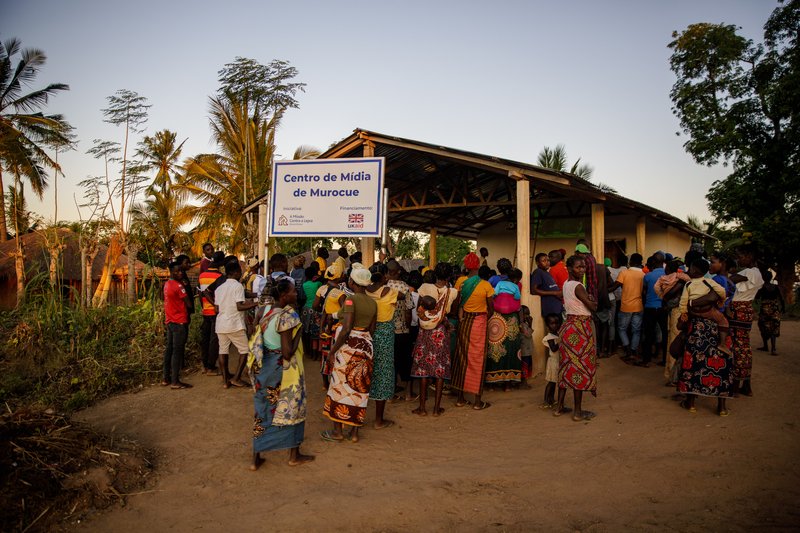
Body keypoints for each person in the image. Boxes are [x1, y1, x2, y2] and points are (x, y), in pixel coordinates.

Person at [249, 279, 314, 471]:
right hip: (282, 370)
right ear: (284, 295)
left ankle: (255, 458)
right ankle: (294, 455)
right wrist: (299, 333)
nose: (296, 294)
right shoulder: (287, 316)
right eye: (294, 291)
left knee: (262, 410)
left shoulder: (265, 311)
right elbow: (287, 352)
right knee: (292, 406)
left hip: (266, 366)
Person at [321, 267, 377, 443]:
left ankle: (338, 432)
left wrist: (332, 351)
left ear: (352, 282)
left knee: (340, 387)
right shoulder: (373, 303)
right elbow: (372, 329)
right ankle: (354, 433)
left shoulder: (351, 301)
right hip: (366, 346)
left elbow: (346, 329)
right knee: (359, 389)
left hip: (349, 347)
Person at [676, 268, 734, 418]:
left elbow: (681, 321)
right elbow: (718, 296)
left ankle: (691, 403)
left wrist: (689, 307)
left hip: (697, 334)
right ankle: (721, 407)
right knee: (722, 367)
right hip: (718, 334)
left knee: (693, 366)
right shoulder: (712, 284)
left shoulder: (690, 287)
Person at [553, 255, 598, 421]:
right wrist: (592, 300)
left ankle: (559, 407)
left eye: (584, 267)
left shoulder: (566, 284)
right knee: (578, 368)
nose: (582, 270)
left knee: (565, 367)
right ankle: (578, 412)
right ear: (570, 269)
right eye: (579, 267)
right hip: (580, 329)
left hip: (568, 326)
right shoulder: (578, 286)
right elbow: (592, 307)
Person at [411, 262, 459, 416]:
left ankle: (422, 408)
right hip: (441, 333)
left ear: (435, 274)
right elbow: (453, 313)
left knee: (423, 368)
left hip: (424, 332)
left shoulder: (424, 288)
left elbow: (420, 309)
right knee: (439, 369)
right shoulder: (453, 292)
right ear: (449, 276)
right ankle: (437, 409)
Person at [451, 253, 494, 409]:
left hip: (464, 323)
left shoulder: (461, 282)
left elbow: (456, 305)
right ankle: (477, 401)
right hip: (479, 323)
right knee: (478, 360)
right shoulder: (485, 285)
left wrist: (460, 317)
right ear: (478, 266)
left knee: (461, 357)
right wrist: (483, 317)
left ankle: (460, 398)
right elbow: (491, 309)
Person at [366, 263, 399, 429]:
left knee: (365, 372)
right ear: (386, 276)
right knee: (383, 373)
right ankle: (378, 420)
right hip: (385, 333)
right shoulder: (391, 292)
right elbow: (402, 297)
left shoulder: (364, 291)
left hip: (366, 333)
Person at [728, 246, 764, 396]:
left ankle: (735, 386)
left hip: (739, 309)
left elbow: (731, 279)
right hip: (746, 308)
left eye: (741, 256)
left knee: (737, 348)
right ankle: (746, 385)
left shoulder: (749, 272)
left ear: (749, 256)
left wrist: (728, 275)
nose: (739, 259)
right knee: (744, 347)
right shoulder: (756, 272)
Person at [215, 260, 257, 388]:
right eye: (240, 271)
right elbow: (240, 306)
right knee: (245, 350)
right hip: (234, 324)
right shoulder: (238, 286)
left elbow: (216, 309)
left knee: (223, 351)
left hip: (221, 324)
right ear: (235, 272)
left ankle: (225, 381)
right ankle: (236, 378)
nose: (241, 273)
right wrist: (256, 303)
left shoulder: (219, 288)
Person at [679, 259, 731, 354]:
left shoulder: (688, 284)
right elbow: (722, 291)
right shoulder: (709, 282)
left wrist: (683, 312)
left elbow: (683, 300)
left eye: (690, 268)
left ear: (694, 270)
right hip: (707, 311)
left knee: (683, 326)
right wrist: (722, 300)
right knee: (723, 321)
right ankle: (722, 344)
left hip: (693, 312)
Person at [486, 261, 523, 390]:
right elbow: (518, 299)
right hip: (512, 318)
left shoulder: (496, 282)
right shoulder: (517, 285)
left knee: (495, 349)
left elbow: (493, 294)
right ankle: (508, 382)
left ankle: (493, 381)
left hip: (497, 318)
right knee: (512, 349)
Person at [656, 259, 690, 385]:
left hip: (677, 311)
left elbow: (667, 294)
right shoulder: (682, 278)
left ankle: (673, 375)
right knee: (674, 340)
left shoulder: (680, 281)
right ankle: (674, 374)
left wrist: (664, 297)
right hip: (676, 311)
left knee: (674, 341)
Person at [314, 263, 347, 389]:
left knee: (325, 353)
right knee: (336, 354)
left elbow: (315, 306)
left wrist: (322, 327)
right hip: (336, 327)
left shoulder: (322, 289)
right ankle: (336, 382)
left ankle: (325, 383)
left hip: (325, 326)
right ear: (338, 277)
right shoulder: (340, 293)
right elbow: (345, 311)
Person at [386, 260, 415, 401]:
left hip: (387, 329)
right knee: (406, 361)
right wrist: (408, 328)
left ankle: (391, 392)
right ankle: (409, 393)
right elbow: (409, 310)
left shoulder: (383, 287)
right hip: (402, 329)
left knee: (392, 361)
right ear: (398, 271)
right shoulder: (404, 287)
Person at [163, 261, 193, 389]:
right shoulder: (178, 286)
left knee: (169, 349)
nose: (180, 273)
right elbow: (189, 304)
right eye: (177, 271)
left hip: (169, 321)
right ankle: (175, 381)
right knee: (177, 351)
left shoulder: (167, 284)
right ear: (171, 272)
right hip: (179, 322)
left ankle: (166, 378)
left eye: (181, 271)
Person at [612, 253, 645, 362]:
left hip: (626, 306)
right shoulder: (643, 274)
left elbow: (615, 286)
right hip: (639, 306)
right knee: (636, 330)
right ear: (640, 262)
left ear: (630, 262)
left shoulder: (624, 273)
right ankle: (634, 350)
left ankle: (628, 351)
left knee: (622, 329)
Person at [198, 251, 225, 375]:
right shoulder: (220, 276)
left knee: (205, 338)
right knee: (214, 340)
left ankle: (204, 364)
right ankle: (211, 367)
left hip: (205, 310)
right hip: (215, 311)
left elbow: (200, 293)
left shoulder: (202, 275)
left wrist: (202, 306)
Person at [641, 256, 667, 367]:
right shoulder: (668, 275)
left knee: (648, 334)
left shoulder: (648, 276)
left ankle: (646, 360)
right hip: (663, 308)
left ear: (654, 262)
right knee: (665, 333)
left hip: (650, 307)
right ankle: (665, 360)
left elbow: (644, 291)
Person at [756, 271, 784, 356]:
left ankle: (765, 346)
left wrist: (758, 304)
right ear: (771, 277)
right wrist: (783, 308)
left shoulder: (762, 288)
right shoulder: (776, 287)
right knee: (774, 328)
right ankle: (773, 349)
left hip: (764, 310)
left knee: (762, 326)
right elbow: (781, 298)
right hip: (775, 309)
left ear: (763, 278)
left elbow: (757, 298)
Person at [531, 252, 563, 318]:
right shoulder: (538, 272)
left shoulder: (547, 272)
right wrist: (554, 293)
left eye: (548, 260)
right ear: (537, 263)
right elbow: (534, 290)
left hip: (556, 306)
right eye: (544, 261)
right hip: (550, 309)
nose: (547, 262)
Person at [300, 263, 322, 360]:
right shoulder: (318, 284)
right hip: (316, 310)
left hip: (306, 310)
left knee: (306, 331)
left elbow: (301, 297)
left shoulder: (303, 285)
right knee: (316, 332)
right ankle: (316, 352)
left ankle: (308, 351)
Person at [541, 313, 563, 408]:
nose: (555, 325)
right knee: (550, 382)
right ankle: (546, 401)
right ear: (548, 325)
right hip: (552, 362)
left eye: (557, 323)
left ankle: (551, 399)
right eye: (552, 323)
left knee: (554, 382)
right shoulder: (550, 337)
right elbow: (554, 349)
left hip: (557, 361)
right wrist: (560, 341)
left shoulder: (557, 335)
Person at [519, 305, 534, 388]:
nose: (528, 316)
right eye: (525, 314)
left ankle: (524, 381)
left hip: (528, 351)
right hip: (524, 352)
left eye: (529, 314)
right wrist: (531, 325)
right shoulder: (522, 325)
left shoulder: (525, 324)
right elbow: (528, 334)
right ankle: (523, 383)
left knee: (527, 366)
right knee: (524, 366)